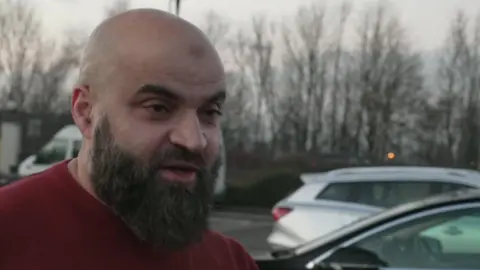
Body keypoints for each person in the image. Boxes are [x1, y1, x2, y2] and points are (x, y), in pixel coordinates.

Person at [0, 9, 259, 270]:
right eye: (158, 108)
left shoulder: (230, 262)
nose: (194, 141)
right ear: (86, 112)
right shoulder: (9, 234)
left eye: (210, 112)